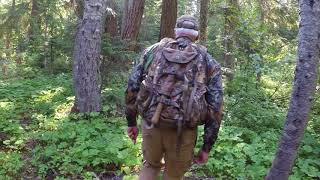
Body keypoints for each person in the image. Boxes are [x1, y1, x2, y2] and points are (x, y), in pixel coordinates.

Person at [125, 15, 223, 180]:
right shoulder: (208, 61)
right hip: (183, 132)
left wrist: (131, 122)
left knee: (150, 166)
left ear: (176, 32)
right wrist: (207, 147)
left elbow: (132, 87)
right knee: (173, 176)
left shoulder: (152, 51)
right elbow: (215, 108)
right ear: (196, 35)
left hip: (152, 124)